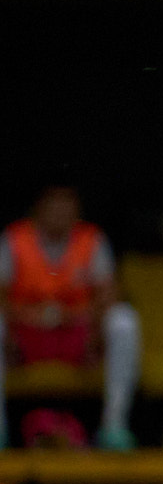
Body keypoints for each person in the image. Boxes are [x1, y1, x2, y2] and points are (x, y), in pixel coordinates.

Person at [0, 186, 140, 450]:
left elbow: (108, 292)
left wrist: (95, 335)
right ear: (38, 210)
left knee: (124, 320)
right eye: (53, 206)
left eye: (66, 207)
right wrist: (9, 336)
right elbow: (1, 293)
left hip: (76, 335)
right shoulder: (15, 239)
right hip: (26, 336)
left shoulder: (90, 239)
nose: (59, 213)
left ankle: (114, 427)